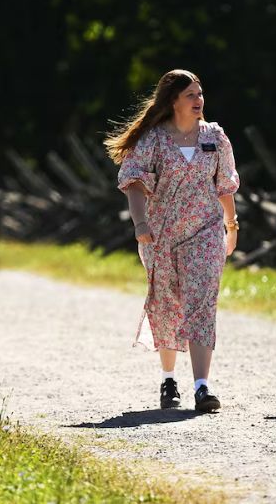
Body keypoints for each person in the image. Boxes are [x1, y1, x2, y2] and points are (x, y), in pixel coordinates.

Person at [105, 69, 239, 413]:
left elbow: (224, 184)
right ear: (174, 101)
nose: (199, 100)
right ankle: (168, 379)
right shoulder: (153, 140)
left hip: (207, 232)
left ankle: (201, 386)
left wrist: (231, 224)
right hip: (161, 234)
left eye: (200, 93)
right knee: (166, 304)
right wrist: (140, 222)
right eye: (191, 95)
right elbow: (134, 182)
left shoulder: (215, 137)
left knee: (202, 302)